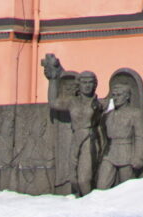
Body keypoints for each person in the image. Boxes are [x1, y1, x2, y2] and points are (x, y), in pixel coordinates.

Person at [40, 53, 100, 196]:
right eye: (84, 83)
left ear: (95, 85)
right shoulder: (72, 102)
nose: (87, 86)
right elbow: (54, 103)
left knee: (84, 180)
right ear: (78, 85)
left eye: (90, 83)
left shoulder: (98, 103)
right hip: (75, 140)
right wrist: (53, 80)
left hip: (89, 140)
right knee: (73, 179)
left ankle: (89, 210)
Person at [95, 72, 143, 189]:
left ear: (127, 96)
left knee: (126, 189)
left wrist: (139, 157)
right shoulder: (107, 115)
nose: (116, 98)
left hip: (127, 154)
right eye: (114, 95)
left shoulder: (135, 113)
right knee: (101, 186)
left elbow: (140, 137)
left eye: (119, 95)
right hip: (109, 154)